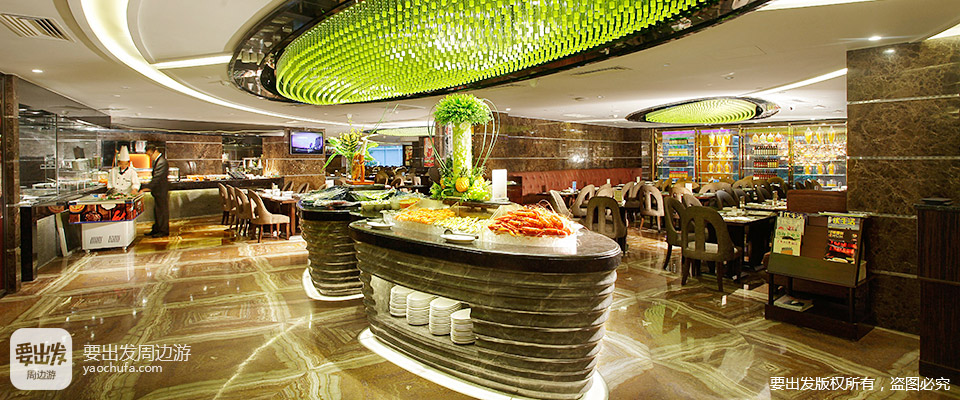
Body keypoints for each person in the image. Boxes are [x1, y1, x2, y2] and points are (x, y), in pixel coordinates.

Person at [139, 144, 169, 237]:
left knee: (162, 211)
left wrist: (148, 187)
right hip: (157, 191)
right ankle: (157, 229)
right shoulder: (157, 161)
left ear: (155, 151)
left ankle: (163, 231)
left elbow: (157, 178)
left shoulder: (162, 162)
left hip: (161, 191)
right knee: (157, 211)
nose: (150, 157)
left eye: (150, 155)